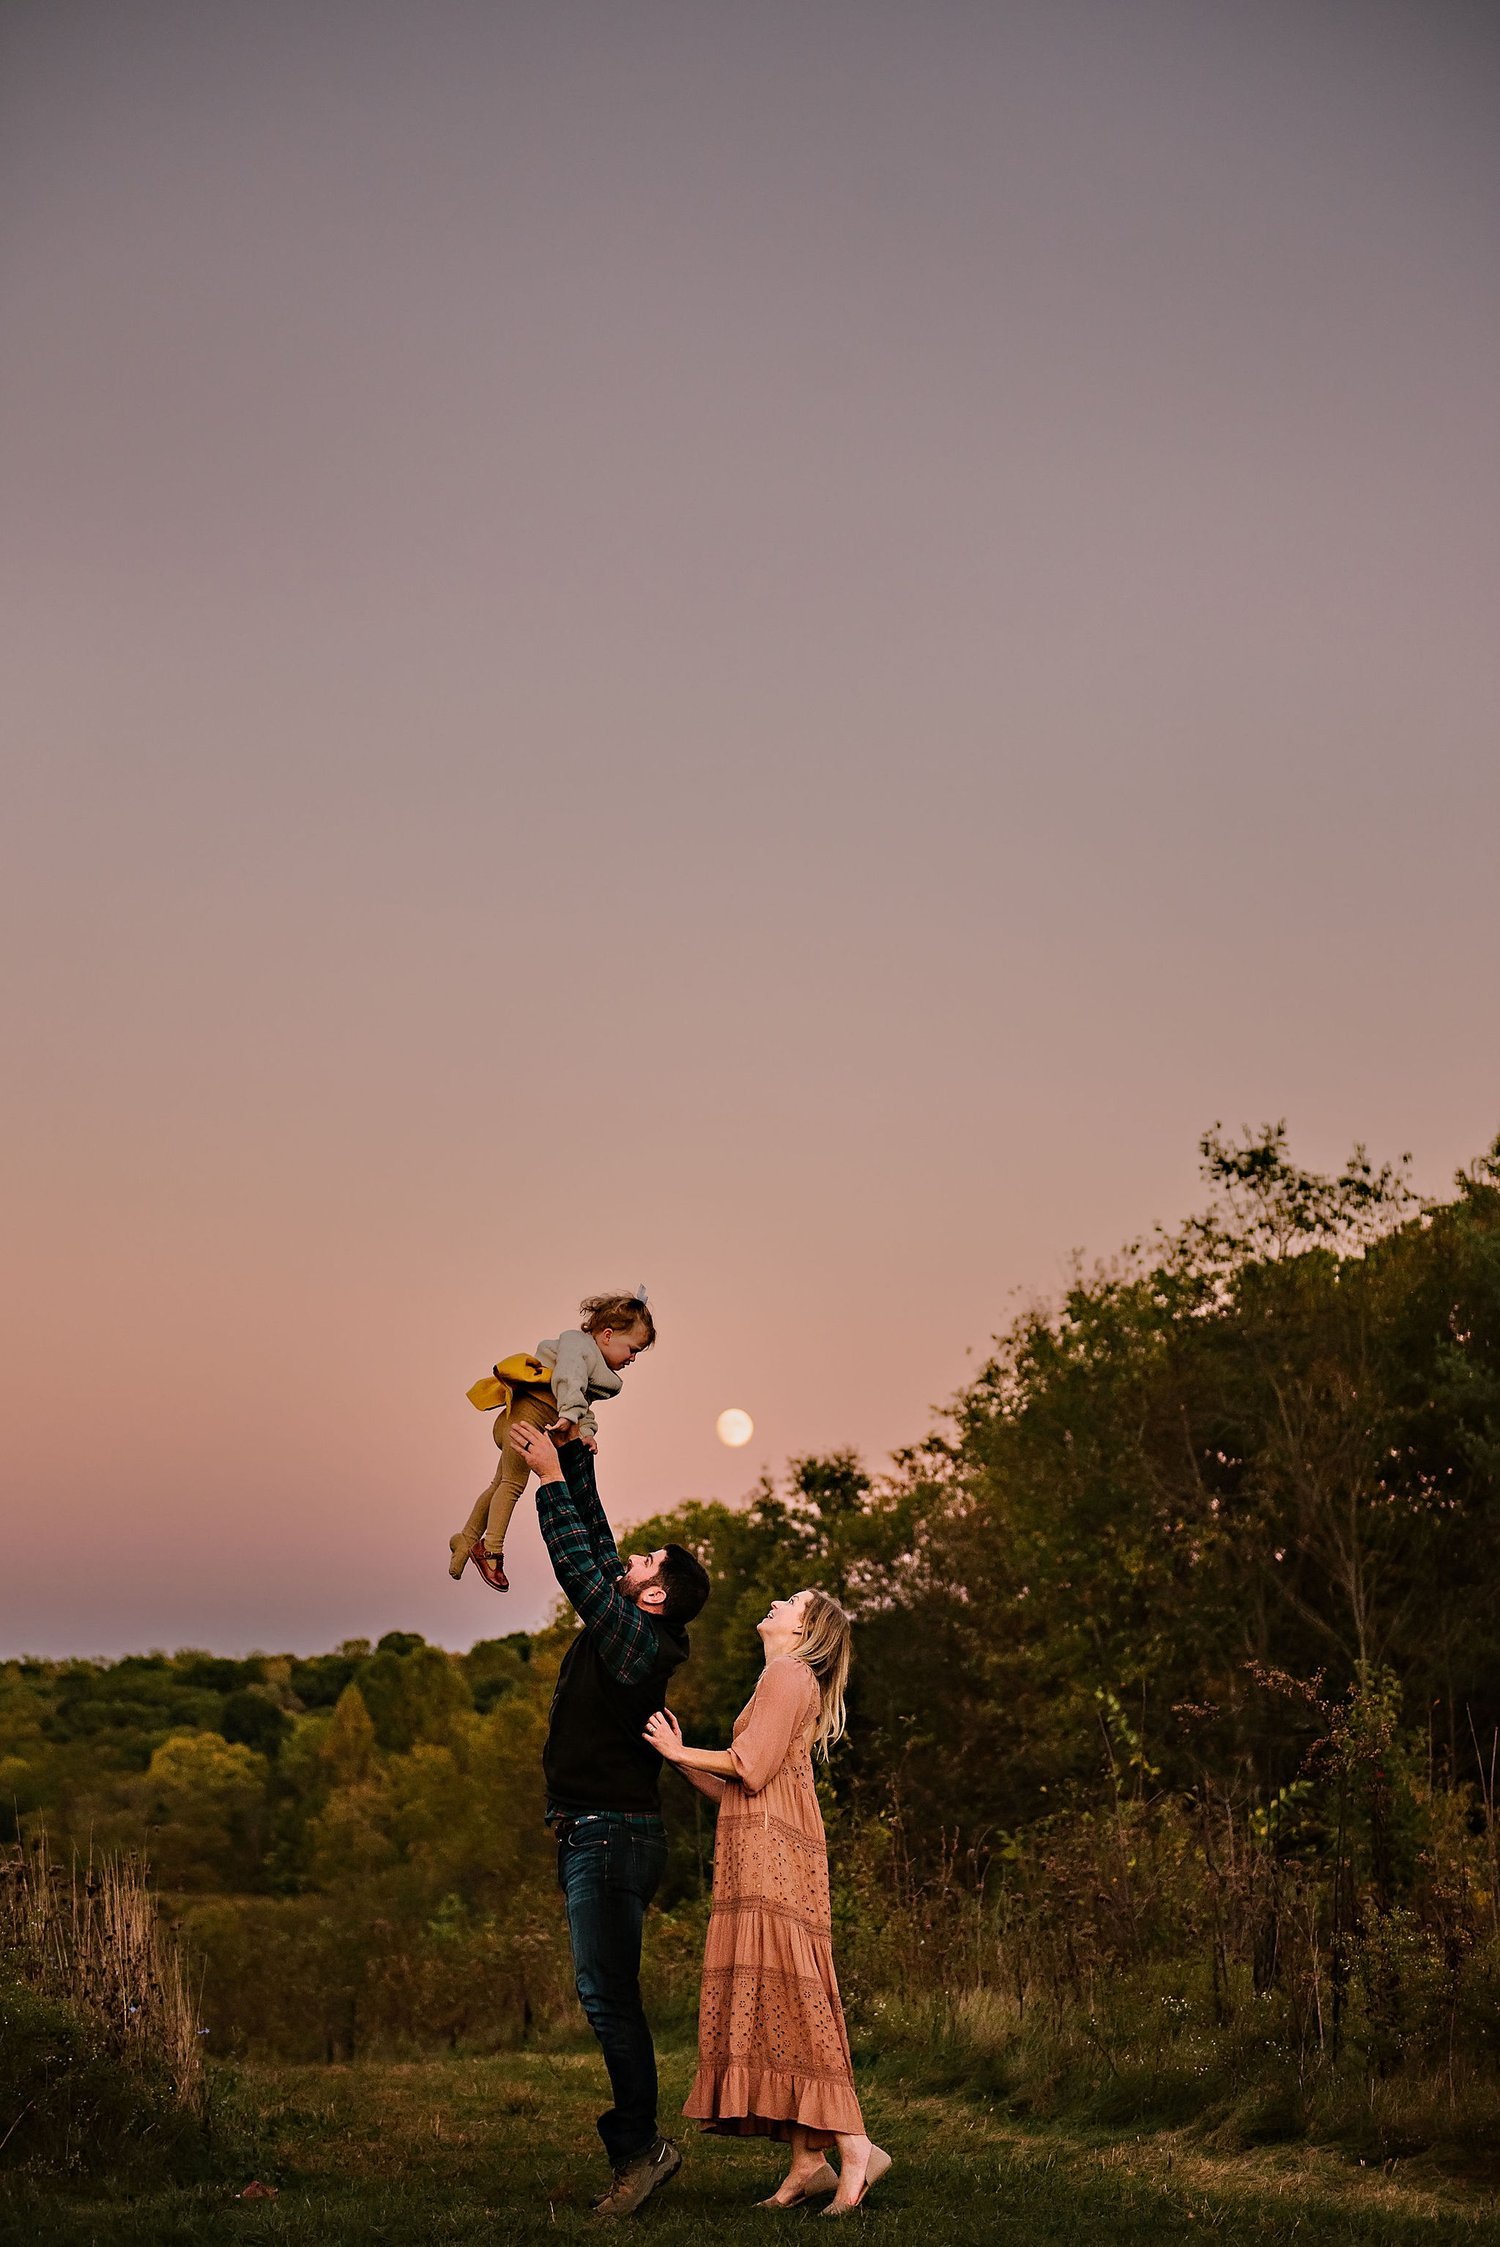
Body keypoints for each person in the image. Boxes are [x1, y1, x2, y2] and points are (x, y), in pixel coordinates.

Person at [513, 1415, 710, 2220]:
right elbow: (598, 1554)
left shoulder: (641, 1643)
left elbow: (584, 1574)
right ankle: (640, 2144)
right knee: (607, 1993)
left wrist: (552, 1484)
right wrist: (580, 1465)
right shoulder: (635, 1625)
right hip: (594, 1830)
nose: (635, 1557)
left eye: (648, 1561)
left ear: (655, 1593)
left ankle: (640, 2150)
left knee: (608, 1997)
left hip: (612, 1835)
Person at [644, 1590, 891, 2216]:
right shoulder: (784, 1678)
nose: (776, 1603)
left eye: (790, 1601)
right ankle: (807, 2163)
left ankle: (856, 2145)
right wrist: (679, 1760)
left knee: (793, 1995)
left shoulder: (787, 1672)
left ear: (806, 1627)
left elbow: (747, 1769)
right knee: (786, 1993)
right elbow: (739, 1786)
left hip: (774, 1860)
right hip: (767, 1847)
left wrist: (679, 1752)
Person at [450, 1289, 654, 1591]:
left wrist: (586, 1432)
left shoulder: (592, 1365)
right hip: (527, 1414)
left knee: (499, 1483)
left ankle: (466, 1540)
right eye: (632, 1349)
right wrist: (571, 1415)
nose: (633, 1358)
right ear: (608, 1335)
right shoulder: (577, 1346)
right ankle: (491, 1551)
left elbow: (582, 1402)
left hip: (534, 1416)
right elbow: (569, 1381)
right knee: (512, 1484)